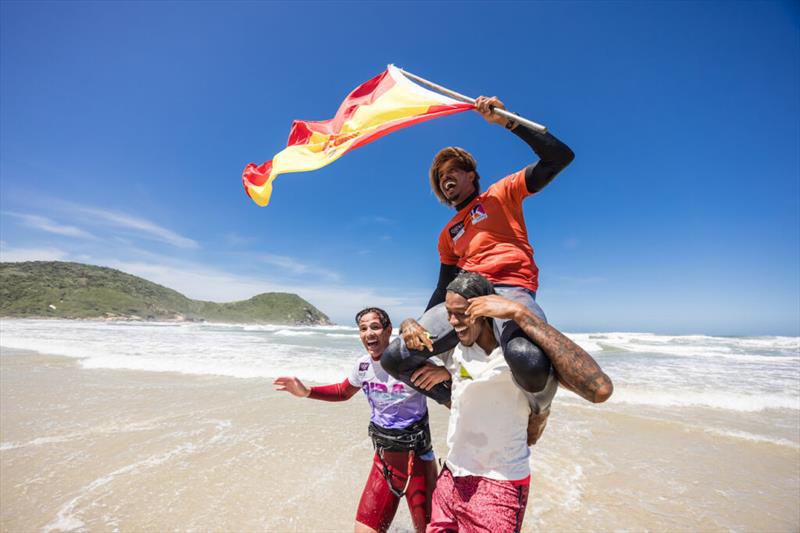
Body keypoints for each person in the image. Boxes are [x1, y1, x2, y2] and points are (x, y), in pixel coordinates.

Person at [382, 96, 597, 429]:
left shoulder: (500, 194)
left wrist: (508, 121)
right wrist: (415, 322)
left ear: (472, 176)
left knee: (528, 360)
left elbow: (559, 157)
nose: (446, 178)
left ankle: (538, 412)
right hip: (464, 297)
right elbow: (443, 287)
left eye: (453, 171)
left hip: (510, 292)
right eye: (441, 177)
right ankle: (457, 399)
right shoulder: (448, 233)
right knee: (395, 358)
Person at [411, 272, 612, 532]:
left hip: (500, 485)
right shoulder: (457, 351)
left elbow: (600, 389)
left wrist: (520, 313)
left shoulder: (517, 359)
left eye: (460, 313)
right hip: (451, 476)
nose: (452, 322)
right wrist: (409, 323)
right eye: (448, 313)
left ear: (484, 310)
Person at [274, 307, 439, 533]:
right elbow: (343, 392)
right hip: (384, 463)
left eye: (375, 327)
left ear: (389, 330)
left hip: (417, 462)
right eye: (363, 329)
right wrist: (307, 392)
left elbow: (459, 383)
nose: (369, 333)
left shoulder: (411, 361)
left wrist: (445, 373)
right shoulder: (363, 366)